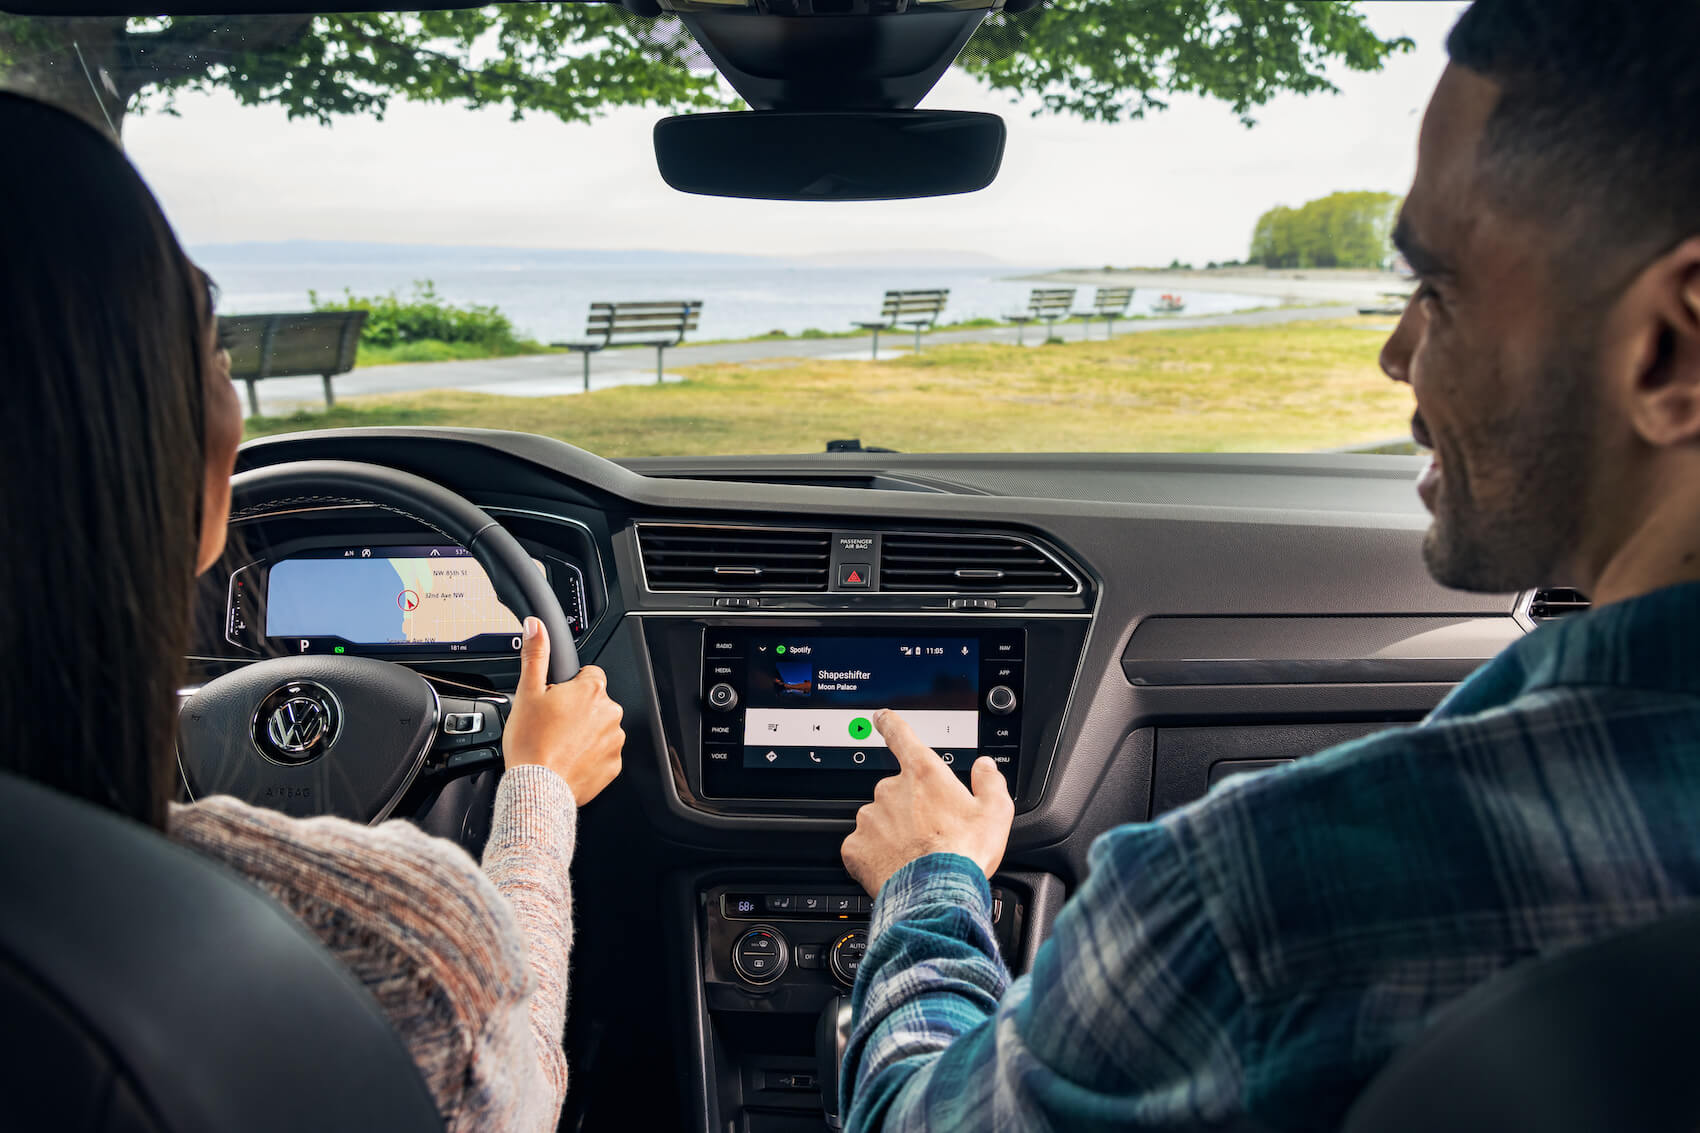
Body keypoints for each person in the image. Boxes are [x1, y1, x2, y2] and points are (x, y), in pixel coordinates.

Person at [838, 1, 1700, 1129]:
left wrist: (930, 885)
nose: (1395, 352)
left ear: (1670, 349)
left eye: (1436, 289)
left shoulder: (1266, 897)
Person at [0, 91, 624, 1133]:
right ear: (184, 469)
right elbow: (519, 1095)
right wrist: (535, 789)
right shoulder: (388, 931)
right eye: (211, 351)